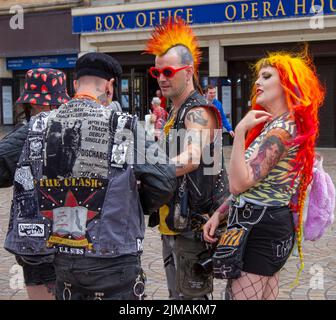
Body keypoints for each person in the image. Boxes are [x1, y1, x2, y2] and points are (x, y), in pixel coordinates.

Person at [4, 52, 176, 300]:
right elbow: (165, 178)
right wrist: (138, 202)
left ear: (75, 84)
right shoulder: (122, 124)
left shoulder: (40, 124)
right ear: (110, 86)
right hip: (114, 257)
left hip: (64, 257)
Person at [203, 49, 325, 300]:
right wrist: (219, 213)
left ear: (287, 85)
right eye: (258, 77)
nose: (258, 82)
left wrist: (239, 130)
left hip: (261, 227)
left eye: (267, 76)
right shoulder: (278, 125)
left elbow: (239, 183)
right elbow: (251, 188)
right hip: (265, 223)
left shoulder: (281, 131)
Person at [145, 18, 229, 300]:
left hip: (195, 226)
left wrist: (148, 171)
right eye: (157, 71)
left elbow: (192, 157)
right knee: (177, 296)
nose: (161, 77)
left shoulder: (199, 111)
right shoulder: (174, 113)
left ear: (189, 71)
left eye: (168, 71)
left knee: (192, 300)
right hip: (175, 224)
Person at [0, 68, 70, 300]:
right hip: (79, 238)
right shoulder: (80, 128)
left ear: (30, 103)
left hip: (36, 241)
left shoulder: (26, 133)